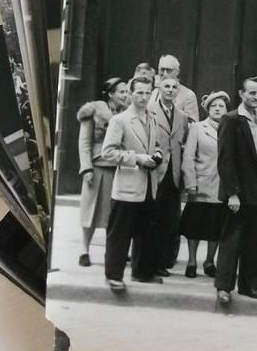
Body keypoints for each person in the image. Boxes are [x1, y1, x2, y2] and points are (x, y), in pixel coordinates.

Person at [99, 76, 163, 290]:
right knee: (120, 233)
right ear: (130, 93)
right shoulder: (121, 120)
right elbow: (107, 152)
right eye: (139, 93)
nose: (144, 97)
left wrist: (156, 154)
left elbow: (156, 144)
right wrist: (136, 158)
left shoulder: (152, 118)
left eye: (147, 93)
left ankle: (142, 272)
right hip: (127, 186)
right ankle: (113, 275)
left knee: (146, 231)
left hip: (148, 185)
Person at [214, 77, 257, 304]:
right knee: (232, 240)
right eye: (252, 93)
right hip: (238, 191)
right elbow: (225, 159)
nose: (256, 97)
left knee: (254, 241)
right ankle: (224, 287)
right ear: (241, 94)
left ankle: (249, 285)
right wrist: (233, 193)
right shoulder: (231, 119)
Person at [76, 77, 129, 267]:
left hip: (120, 168)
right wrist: (86, 168)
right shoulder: (94, 110)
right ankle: (84, 250)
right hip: (97, 166)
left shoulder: (128, 112)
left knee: (114, 213)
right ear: (111, 94)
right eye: (122, 92)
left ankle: (112, 250)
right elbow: (84, 142)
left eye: (127, 91)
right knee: (90, 209)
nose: (126, 95)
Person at [180, 91, 231, 279]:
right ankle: (192, 261)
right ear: (208, 109)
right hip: (201, 184)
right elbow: (188, 157)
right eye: (214, 106)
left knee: (215, 226)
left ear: (227, 110)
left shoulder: (230, 127)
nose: (217, 109)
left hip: (221, 186)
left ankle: (210, 260)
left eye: (221, 106)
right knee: (195, 224)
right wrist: (190, 184)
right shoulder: (197, 128)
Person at [147, 74, 191, 274]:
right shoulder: (149, 111)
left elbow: (184, 143)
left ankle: (165, 261)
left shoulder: (182, 116)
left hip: (174, 174)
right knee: (152, 217)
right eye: (166, 86)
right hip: (155, 171)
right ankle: (151, 261)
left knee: (170, 219)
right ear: (159, 87)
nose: (170, 90)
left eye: (174, 87)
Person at [149, 54, 200, 122]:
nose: (165, 74)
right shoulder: (154, 92)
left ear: (177, 72)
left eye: (168, 70)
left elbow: (193, 124)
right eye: (162, 70)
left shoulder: (188, 95)